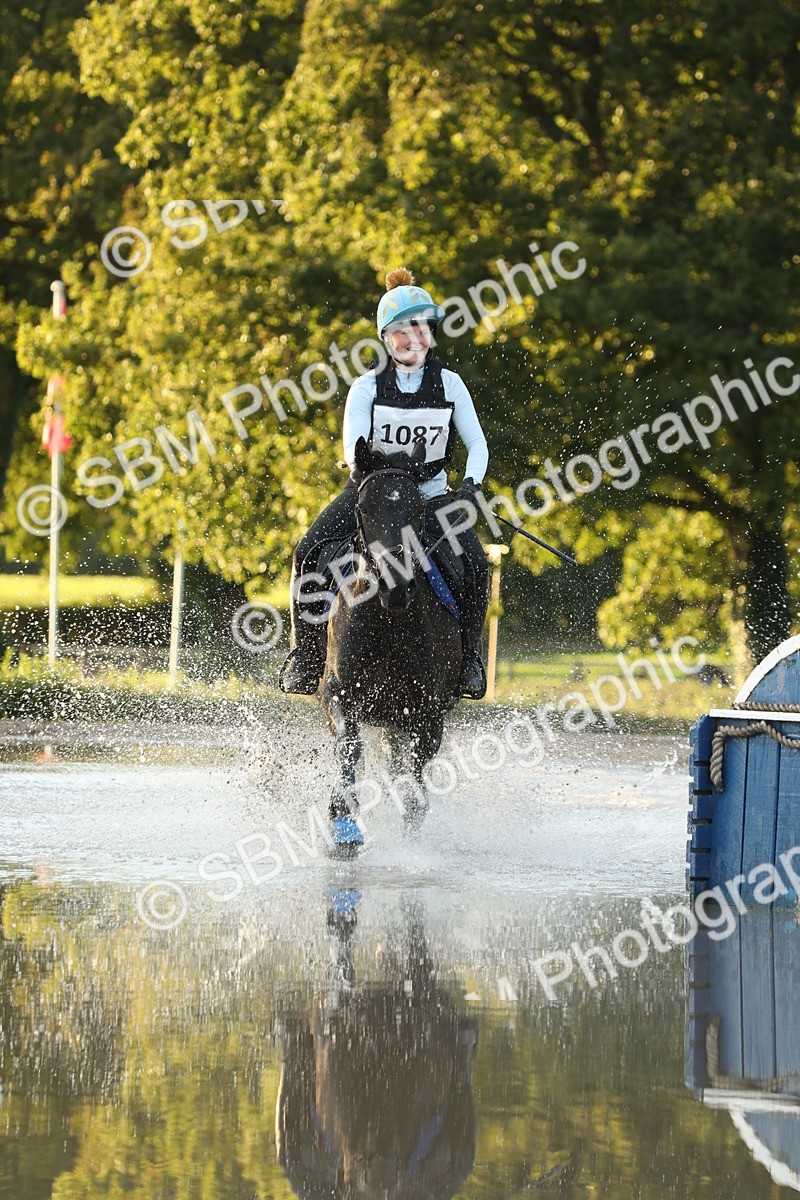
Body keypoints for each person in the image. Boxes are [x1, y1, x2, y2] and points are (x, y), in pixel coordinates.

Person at [279, 267, 490, 699]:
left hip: (430, 498)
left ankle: (469, 658)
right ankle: (308, 656)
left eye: (421, 328)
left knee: (476, 562)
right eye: (402, 331)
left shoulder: (450, 385)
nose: (413, 339)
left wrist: (471, 485)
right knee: (307, 552)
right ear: (387, 338)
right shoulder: (366, 388)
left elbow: (477, 444)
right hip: (372, 496)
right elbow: (352, 452)